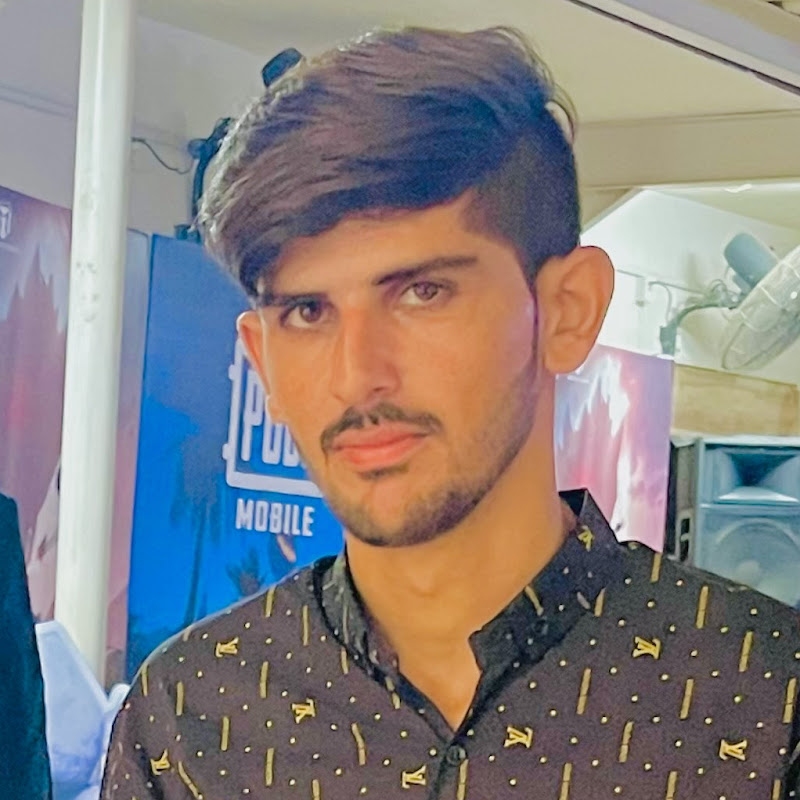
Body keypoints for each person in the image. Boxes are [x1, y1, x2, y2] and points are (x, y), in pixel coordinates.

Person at [101, 26, 800, 800]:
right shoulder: (189, 717)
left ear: (567, 311)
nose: (357, 376)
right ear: (261, 359)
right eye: (307, 311)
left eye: (422, 293)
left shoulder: (765, 701)